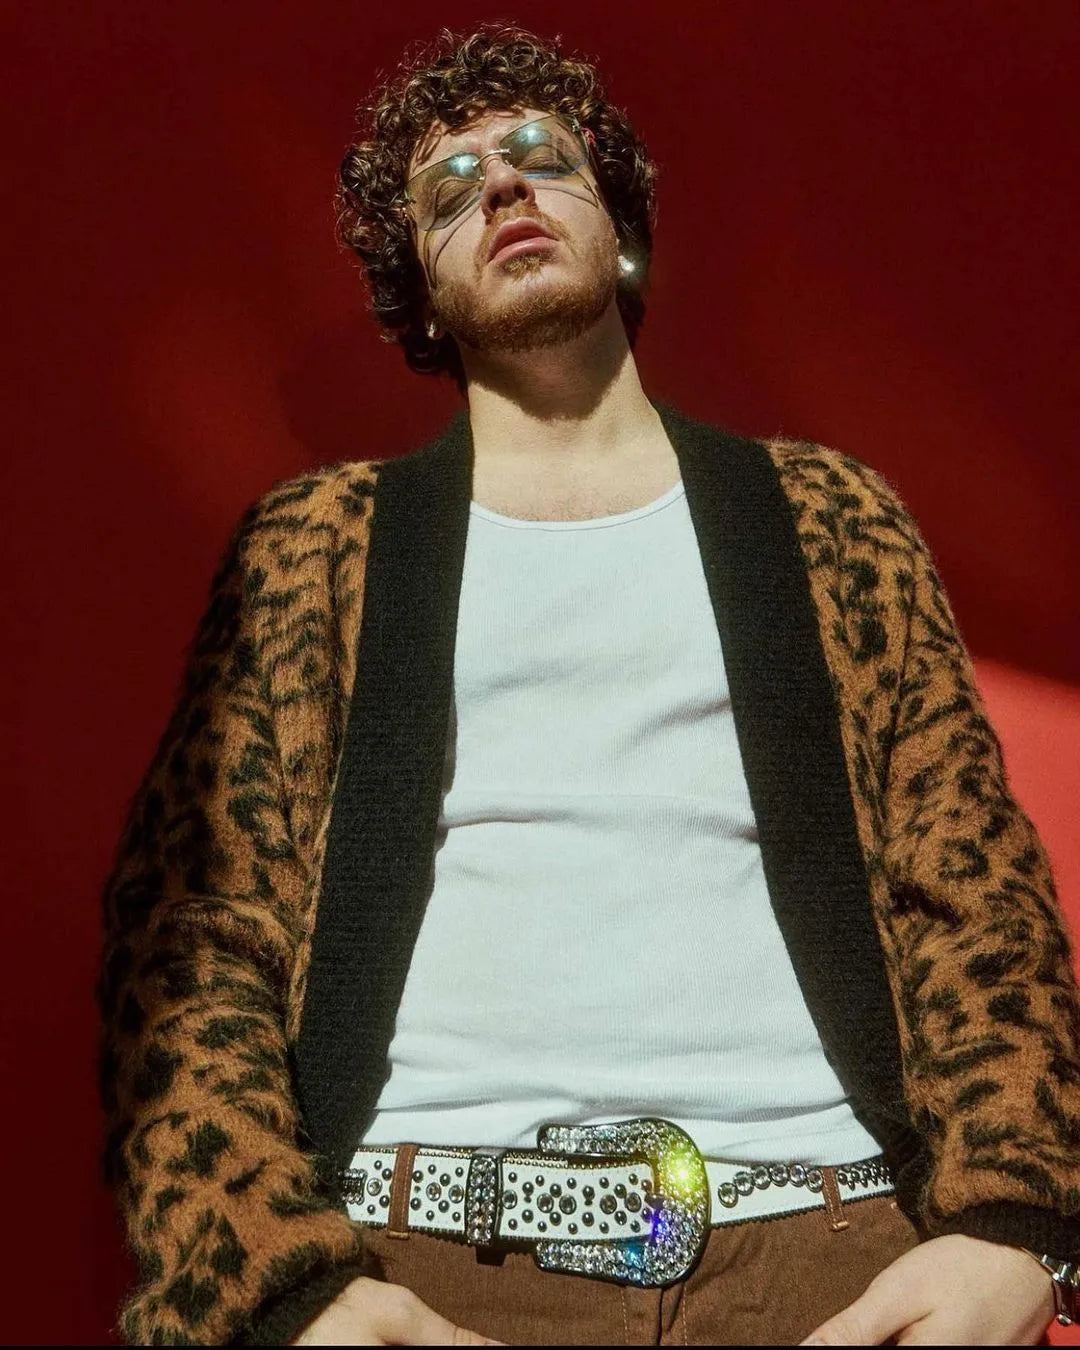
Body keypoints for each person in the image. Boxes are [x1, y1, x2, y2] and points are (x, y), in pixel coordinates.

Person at [98, 23, 1080, 1347]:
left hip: (833, 1257)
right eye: (450, 187)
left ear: (617, 229)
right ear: (419, 291)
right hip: (435, 1263)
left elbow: (973, 885)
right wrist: (278, 1288)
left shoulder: (828, 517)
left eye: (539, 157)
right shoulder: (315, 549)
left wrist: (1018, 1227)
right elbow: (192, 932)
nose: (501, 185)